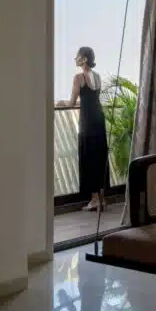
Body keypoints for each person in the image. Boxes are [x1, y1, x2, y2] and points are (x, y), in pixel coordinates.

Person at [66, 47, 109, 211]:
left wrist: (59, 103)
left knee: (88, 156)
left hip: (87, 122)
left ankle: (94, 200)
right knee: (99, 155)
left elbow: (71, 102)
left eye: (77, 56)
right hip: (99, 119)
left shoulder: (79, 77)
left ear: (84, 59)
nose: (75, 59)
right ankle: (102, 198)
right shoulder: (97, 77)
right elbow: (92, 98)